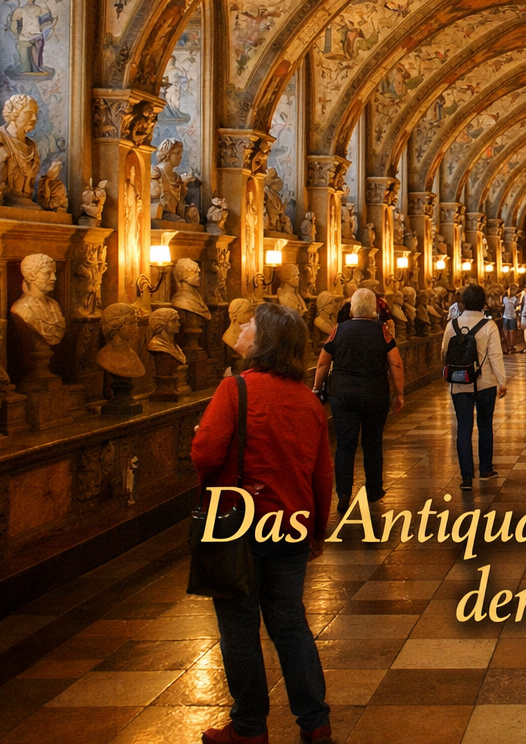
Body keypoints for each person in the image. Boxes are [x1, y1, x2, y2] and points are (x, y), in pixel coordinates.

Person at [192, 304, 335, 744]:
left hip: (240, 526)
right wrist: (316, 529)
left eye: (251, 323)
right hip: (291, 523)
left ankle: (250, 728)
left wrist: (202, 434)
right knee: (290, 623)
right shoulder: (309, 401)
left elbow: (205, 455)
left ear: (266, 339)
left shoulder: (236, 390)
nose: (243, 327)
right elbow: (322, 473)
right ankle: (315, 721)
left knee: (239, 627)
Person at [313, 288, 404, 511]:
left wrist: (316, 388)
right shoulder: (382, 331)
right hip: (374, 393)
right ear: (373, 308)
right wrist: (399, 392)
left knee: (345, 443)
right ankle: (374, 489)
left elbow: (323, 362)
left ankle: (344, 491)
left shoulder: (339, 330)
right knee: (372, 442)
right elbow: (396, 363)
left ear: (352, 307)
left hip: (343, 394)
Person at [442, 283, 506, 490]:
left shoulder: (452, 324)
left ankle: (466, 477)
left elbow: (444, 352)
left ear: (463, 302)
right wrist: (502, 381)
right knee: (485, 425)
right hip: (485, 382)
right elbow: (496, 356)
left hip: (460, 384)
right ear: (483, 302)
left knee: (463, 427)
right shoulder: (489, 325)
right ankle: (486, 469)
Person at [500, 287, 521, 354]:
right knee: (512, 332)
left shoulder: (504, 298)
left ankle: (508, 346)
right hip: (512, 316)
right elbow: (516, 306)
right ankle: (511, 346)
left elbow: (502, 305)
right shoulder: (514, 299)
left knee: (506, 332)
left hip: (505, 316)